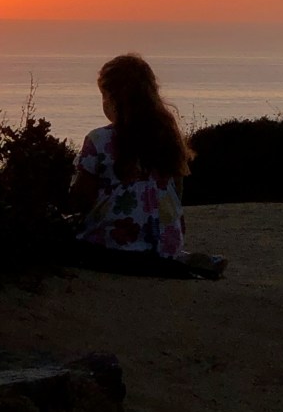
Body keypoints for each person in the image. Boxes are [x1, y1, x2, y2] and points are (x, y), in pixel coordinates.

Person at [66, 54, 226, 278]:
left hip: (114, 242)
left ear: (113, 98)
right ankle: (181, 259)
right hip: (166, 243)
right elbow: (176, 193)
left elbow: (81, 199)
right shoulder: (167, 135)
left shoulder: (98, 139)